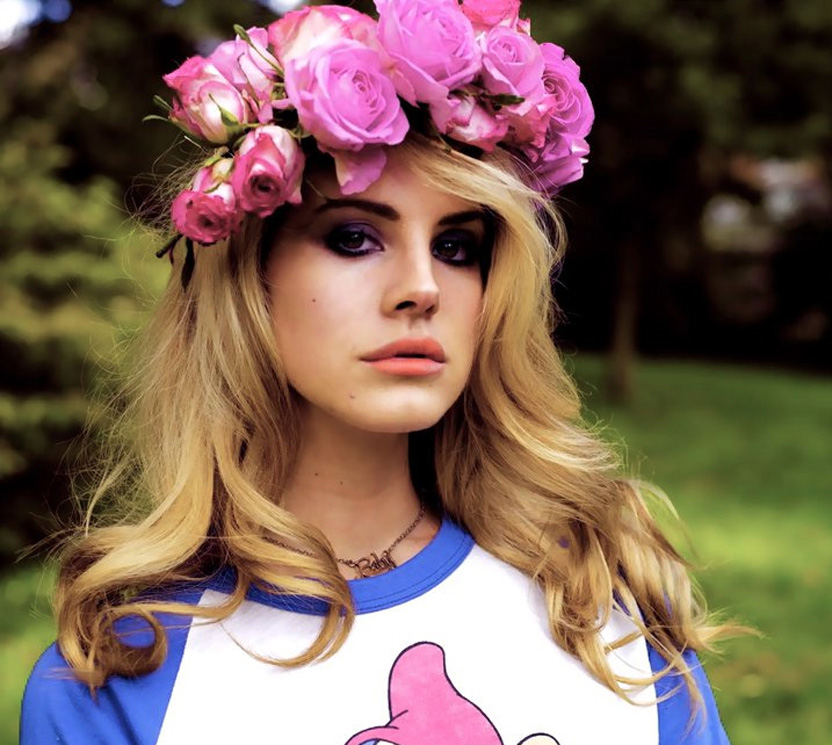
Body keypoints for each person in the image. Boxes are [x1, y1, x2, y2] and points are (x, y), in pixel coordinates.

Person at [21, 2, 736, 743]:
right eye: (355, 237)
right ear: (249, 278)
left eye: (457, 248)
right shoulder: (117, 681)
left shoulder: (601, 618)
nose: (422, 288)